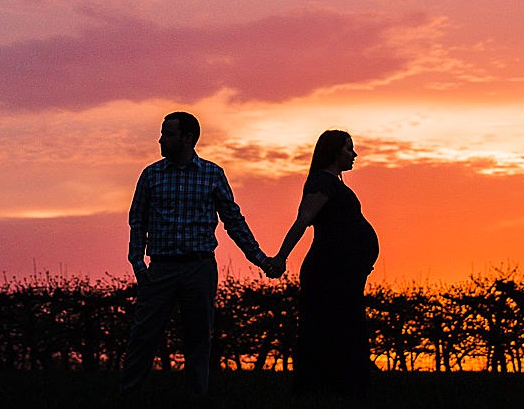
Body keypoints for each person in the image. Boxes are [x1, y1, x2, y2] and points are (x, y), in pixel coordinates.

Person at [118, 111, 282, 403]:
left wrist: (260, 259)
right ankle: (127, 398)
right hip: (161, 269)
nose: (161, 140)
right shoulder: (151, 175)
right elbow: (137, 221)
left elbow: (233, 220)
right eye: (162, 133)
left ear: (188, 137)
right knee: (143, 337)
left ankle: (196, 399)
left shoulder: (212, 174)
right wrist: (138, 264)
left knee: (198, 341)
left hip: (199, 267)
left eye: (168, 134)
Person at [271, 129, 379, 396]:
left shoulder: (334, 183)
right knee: (327, 325)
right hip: (329, 270)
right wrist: (282, 256)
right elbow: (303, 220)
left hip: (344, 270)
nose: (354, 154)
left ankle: (344, 384)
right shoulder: (322, 182)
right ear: (334, 152)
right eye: (348, 148)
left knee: (345, 324)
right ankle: (322, 386)